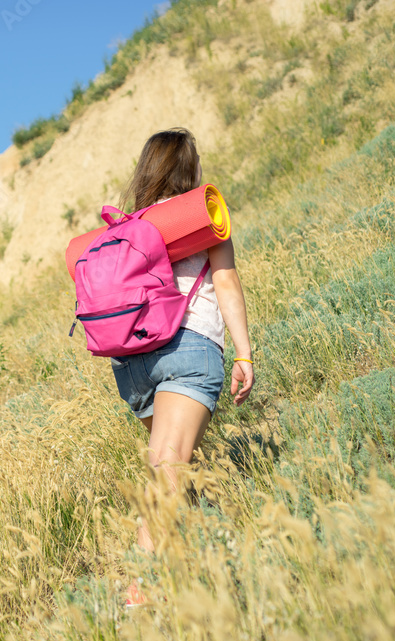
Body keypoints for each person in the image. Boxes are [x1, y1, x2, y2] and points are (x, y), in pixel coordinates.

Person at [110, 128, 254, 606]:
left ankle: (204, 572)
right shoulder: (200, 217)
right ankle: (142, 592)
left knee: (172, 470)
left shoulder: (127, 226)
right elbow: (226, 284)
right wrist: (243, 353)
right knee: (170, 466)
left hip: (131, 363)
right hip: (188, 349)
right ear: (190, 169)